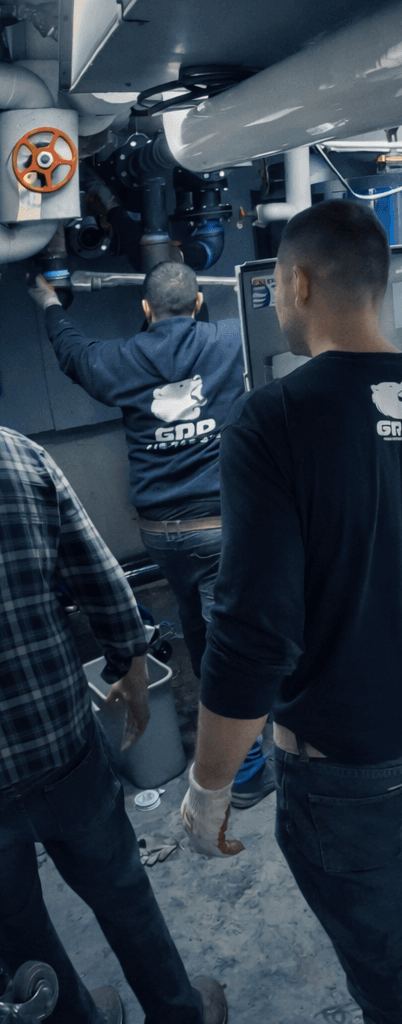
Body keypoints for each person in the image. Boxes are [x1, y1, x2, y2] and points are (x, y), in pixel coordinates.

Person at [180, 200, 402, 1024]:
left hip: (342, 776)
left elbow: (252, 635)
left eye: (275, 286)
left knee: (390, 962)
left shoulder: (271, 423)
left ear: (298, 283)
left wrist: (208, 785)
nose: (274, 301)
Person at [0, 427, 227, 1024]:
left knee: (16, 931)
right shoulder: (18, 454)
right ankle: (178, 1012)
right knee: (122, 892)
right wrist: (128, 661)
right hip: (56, 743)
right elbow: (98, 575)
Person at [31, 262, 272, 807]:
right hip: (219, 533)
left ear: (145, 310)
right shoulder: (229, 339)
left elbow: (74, 353)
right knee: (225, 653)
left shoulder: (122, 359)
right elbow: (278, 323)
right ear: (198, 304)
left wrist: (48, 301)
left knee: (200, 632)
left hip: (162, 539)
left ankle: (230, 751)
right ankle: (248, 769)